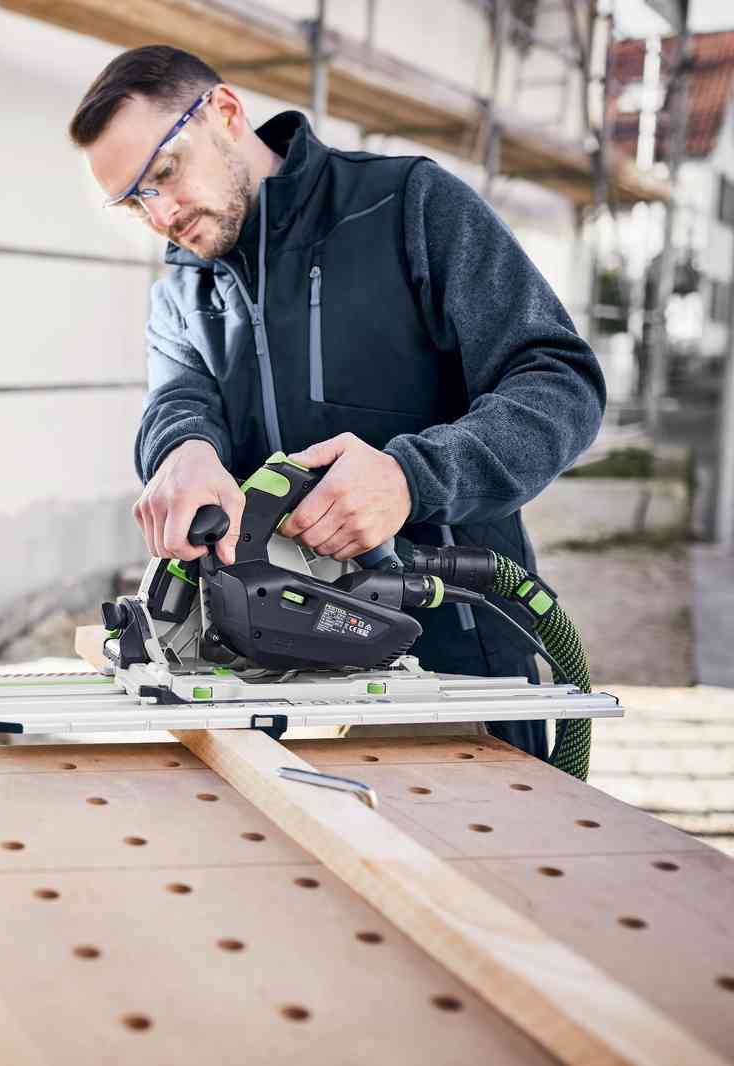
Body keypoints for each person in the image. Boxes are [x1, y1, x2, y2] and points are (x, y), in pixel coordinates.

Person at [68, 46, 605, 759]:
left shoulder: (406, 205)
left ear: (225, 113)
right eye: (133, 200)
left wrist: (411, 479)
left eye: (164, 173)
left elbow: (559, 380)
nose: (160, 213)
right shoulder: (182, 290)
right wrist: (182, 454)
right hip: (260, 680)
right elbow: (179, 399)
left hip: (453, 664)